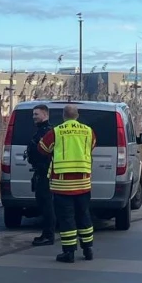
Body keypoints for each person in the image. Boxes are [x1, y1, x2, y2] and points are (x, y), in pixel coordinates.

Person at [38, 103, 96, 263]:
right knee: (84, 215)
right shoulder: (88, 131)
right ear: (77, 116)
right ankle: (88, 249)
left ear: (63, 116)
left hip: (62, 184)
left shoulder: (56, 131)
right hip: (83, 183)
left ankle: (69, 253)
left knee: (66, 218)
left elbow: (42, 148)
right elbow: (92, 146)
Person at [25, 104, 56, 246]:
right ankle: (46, 233)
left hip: (45, 173)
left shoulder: (48, 132)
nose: (34, 117)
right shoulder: (40, 131)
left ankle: (48, 235)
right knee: (43, 204)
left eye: (36, 114)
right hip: (40, 172)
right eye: (33, 114)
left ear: (45, 115)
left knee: (47, 205)